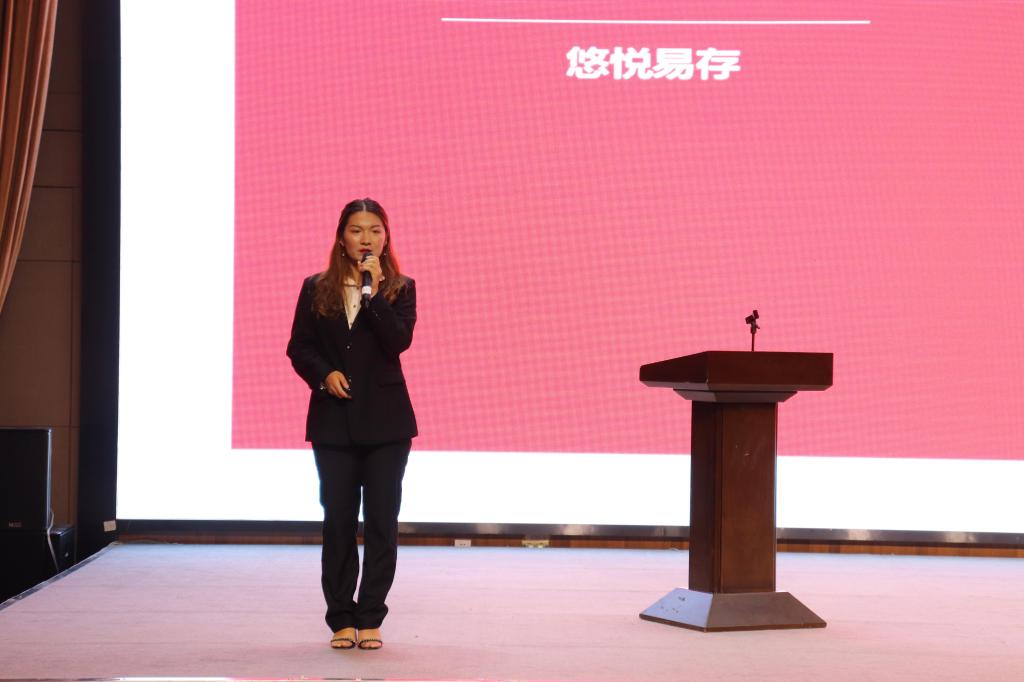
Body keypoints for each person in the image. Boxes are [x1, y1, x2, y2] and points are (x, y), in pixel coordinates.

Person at [286, 198, 417, 650]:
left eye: (375, 230)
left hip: (387, 426)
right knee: (338, 521)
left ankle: (371, 615)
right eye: (357, 230)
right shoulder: (316, 287)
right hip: (333, 422)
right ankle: (341, 615)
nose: (366, 239)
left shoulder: (400, 288)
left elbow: (398, 341)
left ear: (386, 237)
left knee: (382, 522)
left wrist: (373, 294)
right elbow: (299, 347)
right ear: (342, 237)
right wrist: (324, 375)